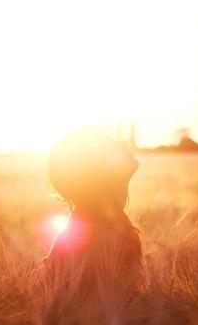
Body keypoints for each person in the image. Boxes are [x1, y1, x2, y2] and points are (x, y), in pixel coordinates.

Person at [39, 127, 146, 324]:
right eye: (109, 144)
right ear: (98, 173)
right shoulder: (99, 232)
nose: (121, 144)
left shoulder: (100, 222)